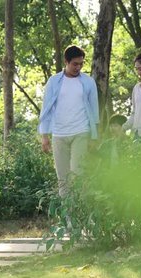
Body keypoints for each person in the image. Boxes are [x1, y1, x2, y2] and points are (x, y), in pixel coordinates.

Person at [38, 45, 99, 197]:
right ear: (66, 61)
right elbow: (46, 109)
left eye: (81, 63)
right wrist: (44, 136)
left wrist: (94, 136)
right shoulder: (54, 81)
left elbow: (94, 110)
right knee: (63, 178)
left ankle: (80, 214)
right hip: (59, 134)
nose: (78, 67)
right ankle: (67, 219)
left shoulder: (88, 82)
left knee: (78, 174)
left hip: (81, 132)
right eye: (75, 64)